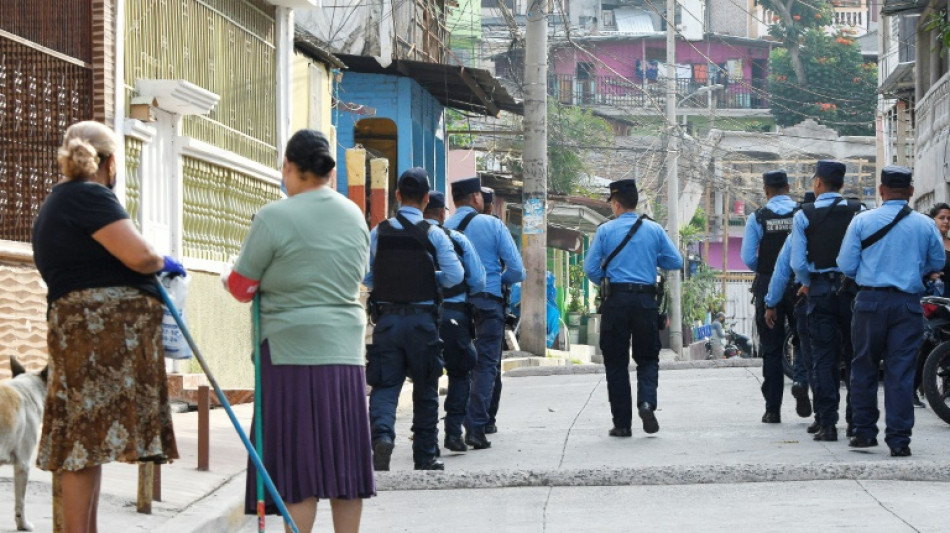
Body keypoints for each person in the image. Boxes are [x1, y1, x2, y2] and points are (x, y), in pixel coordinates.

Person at [32, 121, 181, 533]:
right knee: (82, 445)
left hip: (78, 336)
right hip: (98, 340)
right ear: (110, 162)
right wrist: (160, 260)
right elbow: (141, 256)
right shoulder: (91, 197)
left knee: (85, 443)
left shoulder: (58, 200)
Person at [224, 129, 374, 532]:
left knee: (299, 471)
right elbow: (357, 273)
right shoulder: (354, 215)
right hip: (345, 355)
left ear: (290, 167)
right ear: (328, 171)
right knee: (346, 472)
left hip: (289, 353)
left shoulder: (274, 216)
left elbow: (241, 286)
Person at [837, 165, 945, 457]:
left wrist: (872, 271)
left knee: (863, 367)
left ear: (882, 190)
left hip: (869, 301)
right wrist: (912, 270)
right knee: (900, 371)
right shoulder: (925, 225)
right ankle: (899, 440)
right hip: (908, 303)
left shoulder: (862, 221)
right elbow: (937, 261)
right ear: (910, 191)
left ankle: (863, 433)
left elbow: (846, 264)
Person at [365, 168, 464, 471]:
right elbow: (455, 275)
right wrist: (429, 276)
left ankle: (382, 437)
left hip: (388, 321)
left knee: (385, 385)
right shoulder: (434, 234)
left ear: (396, 196)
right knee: (426, 387)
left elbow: (367, 276)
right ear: (425, 199)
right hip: (422, 322)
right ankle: (425, 455)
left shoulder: (378, 232)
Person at [583, 179, 683, 436]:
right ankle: (647, 403)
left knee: (616, 362)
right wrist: (651, 259)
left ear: (616, 204)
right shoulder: (654, 229)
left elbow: (591, 269)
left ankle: (622, 425)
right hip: (645, 302)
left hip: (616, 301)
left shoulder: (605, 231)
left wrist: (607, 282)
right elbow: (675, 261)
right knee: (648, 358)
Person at [446, 176, 525, 447]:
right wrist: (496, 279)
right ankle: (477, 428)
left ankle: (453, 428)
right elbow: (517, 270)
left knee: (459, 367)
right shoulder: (492, 224)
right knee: (486, 365)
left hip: (454, 306)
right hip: (488, 303)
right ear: (476, 198)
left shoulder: (444, 228)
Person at [790, 160, 864, 442]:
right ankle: (856, 421)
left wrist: (808, 284)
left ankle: (827, 424)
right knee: (855, 357)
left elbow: (797, 261)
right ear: (842, 185)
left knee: (823, 358)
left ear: (818, 183)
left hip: (819, 291)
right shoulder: (859, 211)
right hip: (852, 291)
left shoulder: (804, 215)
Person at [422, 192, 486, 452]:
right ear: (441, 213)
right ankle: (453, 433)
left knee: (426, 377)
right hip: (454, 316)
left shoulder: (405, 239)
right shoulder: (456, 240)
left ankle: (426, 439)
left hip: (420, 316)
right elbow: (478, 281)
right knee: (460, 373)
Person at [741, 170, 801, 424]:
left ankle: (772, 409)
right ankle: (802, 381)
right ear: (788, 187)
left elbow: (747, 258)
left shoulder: (757, 217)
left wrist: (767, 269)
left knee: (772, 349)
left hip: (767, 284)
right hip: (800, 284)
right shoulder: (802, 213)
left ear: (766, 191)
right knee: (806, 340)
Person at [915, 203, 950, 407]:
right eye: (941, 217)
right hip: (929, 300)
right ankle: (914, 388)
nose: (945, 221)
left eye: (948, 218)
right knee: (926, 343)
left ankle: (943, 392)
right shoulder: (926, 243)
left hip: (947, 299)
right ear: (932, 220)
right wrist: (929, 274)